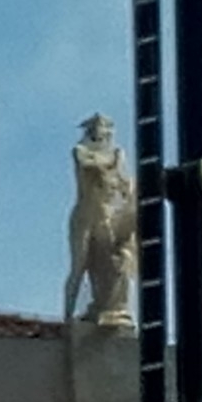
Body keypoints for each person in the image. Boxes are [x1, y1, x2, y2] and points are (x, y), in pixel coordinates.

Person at [63, 113, 137, 327]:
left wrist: (127, 187)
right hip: (85, 216)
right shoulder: (81, 151)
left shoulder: (116, 154)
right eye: (96, 126)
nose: (100, 130)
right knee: (79, 265)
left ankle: (106, 306)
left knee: (110, 261)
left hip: (106, 215)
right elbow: (90, 165)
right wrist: (113, 166)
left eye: (104, 126)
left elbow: (124, 182)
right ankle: (68, 316)